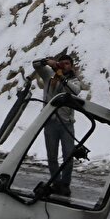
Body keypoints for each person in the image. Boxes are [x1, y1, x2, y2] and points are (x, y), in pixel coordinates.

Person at [37, 53, 82, 196]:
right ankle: (56, 183)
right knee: (52, 156)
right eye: (61, 63)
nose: (64, 66)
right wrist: (47, 62)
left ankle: (65, 184)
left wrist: (61, 75)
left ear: (72, 65)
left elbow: (74, 91)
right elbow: (35, 64)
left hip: (66, 123)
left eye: (67, 63)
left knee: (68, 156)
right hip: (50, 121)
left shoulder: (74, 81)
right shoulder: (49, 77)